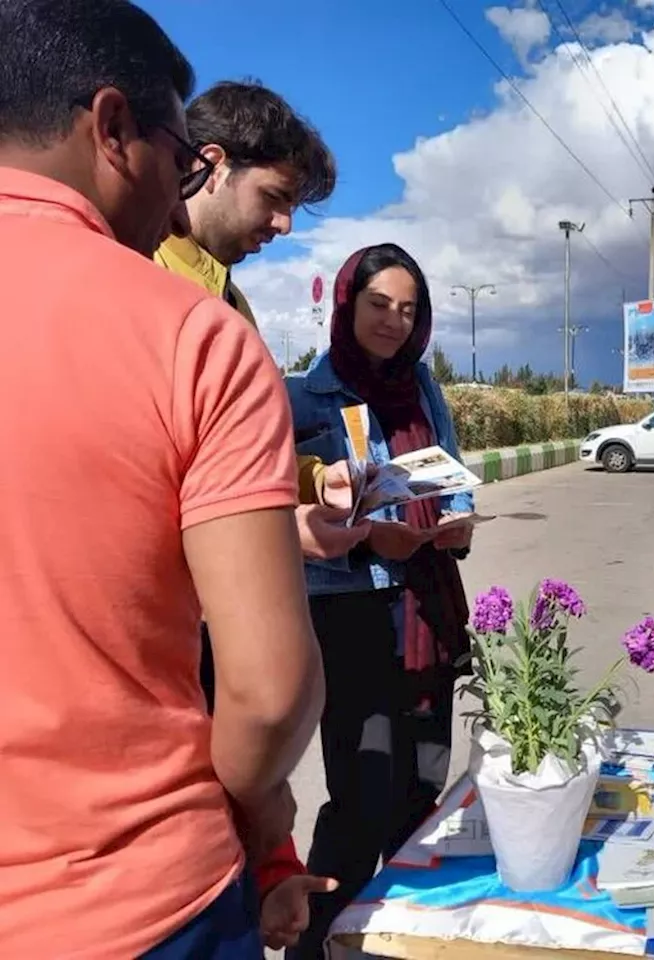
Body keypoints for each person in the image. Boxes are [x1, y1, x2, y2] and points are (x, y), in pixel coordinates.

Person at [0, 1, 323, 957]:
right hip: (135, 904)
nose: (179, 189)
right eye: (182, 157)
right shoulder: (189, 335)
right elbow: (268, 694)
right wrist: (266, 833)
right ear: (111, 128)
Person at [285, 244, 475, 958]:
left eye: (408, 309)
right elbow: (290, 513)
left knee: (421, 793)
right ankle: (312, 947)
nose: (394, 322)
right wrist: (370, 539)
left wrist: (453, 523)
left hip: (428, 609)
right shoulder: (308, 396)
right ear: (345, 305)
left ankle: (393, 940)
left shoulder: (423, 388)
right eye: (378, 306)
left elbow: (449, 472)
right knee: (361, 803)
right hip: (354, 618)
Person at [155, 80, 365, 563]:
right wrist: (273, 535)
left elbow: (235, 449)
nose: (284, 225)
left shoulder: (232, 302)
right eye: (274, 197)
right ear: (211, 165)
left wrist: (315, 479)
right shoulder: (137, 273)